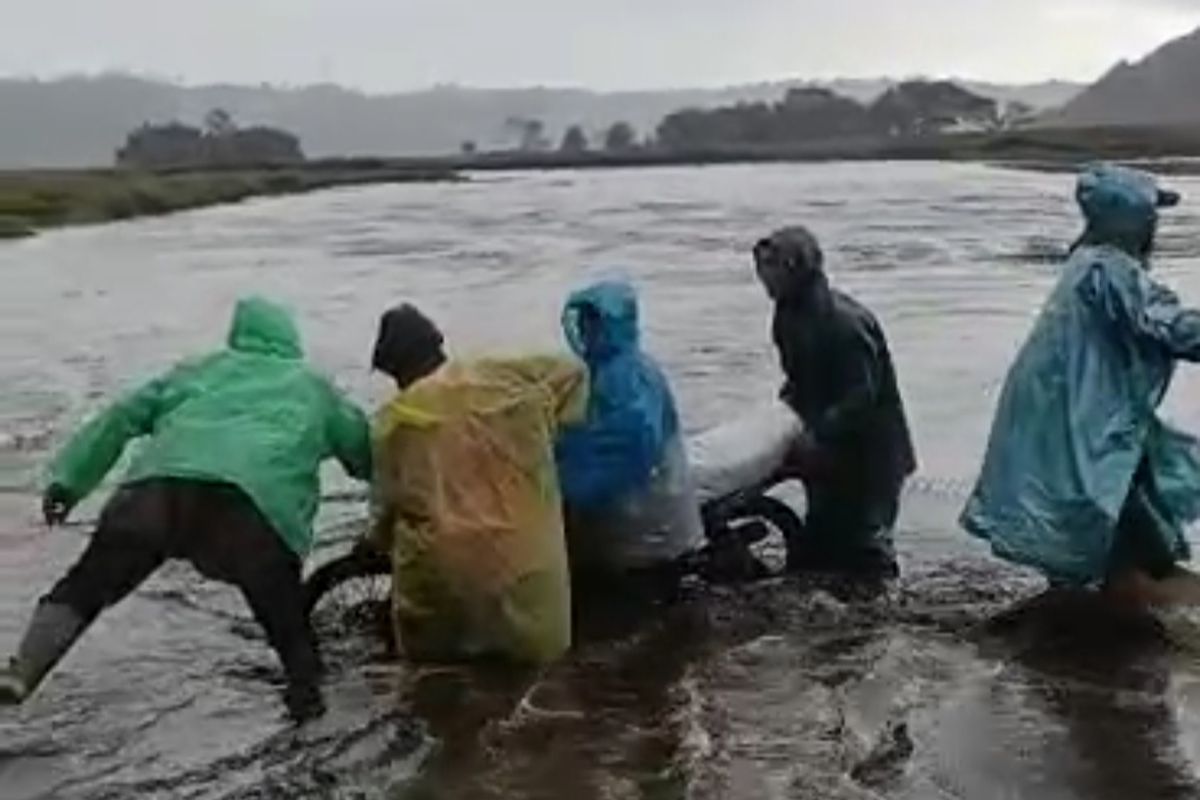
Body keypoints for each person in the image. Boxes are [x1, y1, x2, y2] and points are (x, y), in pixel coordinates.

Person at [0, 296, 372, 720]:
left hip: (154, 494)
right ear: (291, 339)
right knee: (289, 633)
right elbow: (365, 451)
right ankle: (309, 722)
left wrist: (68, 482)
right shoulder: (313, 387)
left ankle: (23, 671)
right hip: (252, 512)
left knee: (85, 587)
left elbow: (119, 417)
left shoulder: (194, 372)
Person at [962, 164, 1200, 607]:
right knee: (1121, 543)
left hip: (1071, 423)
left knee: (1107, 532)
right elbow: (1169, 327)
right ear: (1131, 220)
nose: (1156, 227)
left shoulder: (1085, 264)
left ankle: (1091, 609)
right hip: (1086, 431)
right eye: (1151, 216)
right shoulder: (1109, 270)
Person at [366, 304, 588, 665]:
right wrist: (553, 427)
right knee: (536, 685)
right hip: (525, 568)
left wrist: (374, 541)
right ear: (438, 345)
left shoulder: (395, 422)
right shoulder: (501, 377)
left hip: (444, 585)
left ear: (395, 368)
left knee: (439, 687)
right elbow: (574, 371)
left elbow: (388, 510)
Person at [753, 226, 916, 579]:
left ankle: (886, 622)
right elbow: (799, 378)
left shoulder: (844, 324)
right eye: (761, 267)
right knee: (822, 543)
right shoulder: (787, 315)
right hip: (827, 448)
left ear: (796, 267)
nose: (764, 277)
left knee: (867, 543)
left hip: (871, 452)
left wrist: (819, 431)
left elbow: (862, 395)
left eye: (772, 267)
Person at [555, 280, 705, 605]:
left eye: (593, 320)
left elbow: (627, 450)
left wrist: (572, 488)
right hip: (633, 502)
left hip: (648, 515)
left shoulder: (629, 377)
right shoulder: (599, 371)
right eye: (582, 320)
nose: (585, 328)